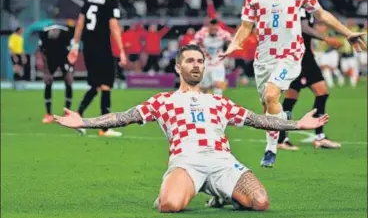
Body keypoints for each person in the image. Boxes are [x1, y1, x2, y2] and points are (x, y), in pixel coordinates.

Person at [54, 44, 328, 213]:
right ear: (178, 67)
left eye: (199, 61)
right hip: (187, 163)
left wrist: (296, 124)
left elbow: (259, 120)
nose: (195, 65)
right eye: (189, 61)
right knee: (170, 206)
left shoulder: (218, 101)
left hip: (222, 162)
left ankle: (220, 193)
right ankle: (185, 189)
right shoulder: (163, 101)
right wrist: (84, 122)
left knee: (260, 202)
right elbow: (123, 117)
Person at [219, 0, 366, 168]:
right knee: (268, 107)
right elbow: (245, 27)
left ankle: (271, 148)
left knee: (271, 96)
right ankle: (276, 135)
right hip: (264, 59)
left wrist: (346, 32)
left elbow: (322, 14)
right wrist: (233, 44)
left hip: (290, 55)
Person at [278, 0, 343, 151]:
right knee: (321, 92)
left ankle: (282, 138)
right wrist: (326, 38)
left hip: (298, 53)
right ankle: (319, 137)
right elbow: (303, 27)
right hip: (301, 56)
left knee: (291, 96)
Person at [68, 0, 127, 137]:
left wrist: (75, 45)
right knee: (106, 85)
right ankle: (104, 128)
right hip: (102, 48)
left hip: (88, 49)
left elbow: (80, 23)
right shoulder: (111, 3)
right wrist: (122, 51)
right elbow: (114, 27)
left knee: (95, 85)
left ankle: (77, 117)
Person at [38, 24, 74, 123]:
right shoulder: (44, 36)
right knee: (48, 82)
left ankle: (67, 113)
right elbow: (43, 54)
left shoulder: (67, 35)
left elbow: (72, 53)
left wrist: (70, 69)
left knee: (68, 82)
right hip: (51, 58)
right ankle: (48, 114)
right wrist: (46, 71)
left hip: (64, 57)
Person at [192, 18, 232, 96]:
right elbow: (192, 44)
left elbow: (231, 43)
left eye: (215, 28)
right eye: (211, 28)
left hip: (218, 64)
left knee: (218, 89)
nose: (213, 30)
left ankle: (217, 106)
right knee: (203, 89)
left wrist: (227, 51)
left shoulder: (224, 34)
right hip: (205, 64)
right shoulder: (201, 34)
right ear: (208, 26)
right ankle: (205, 106)